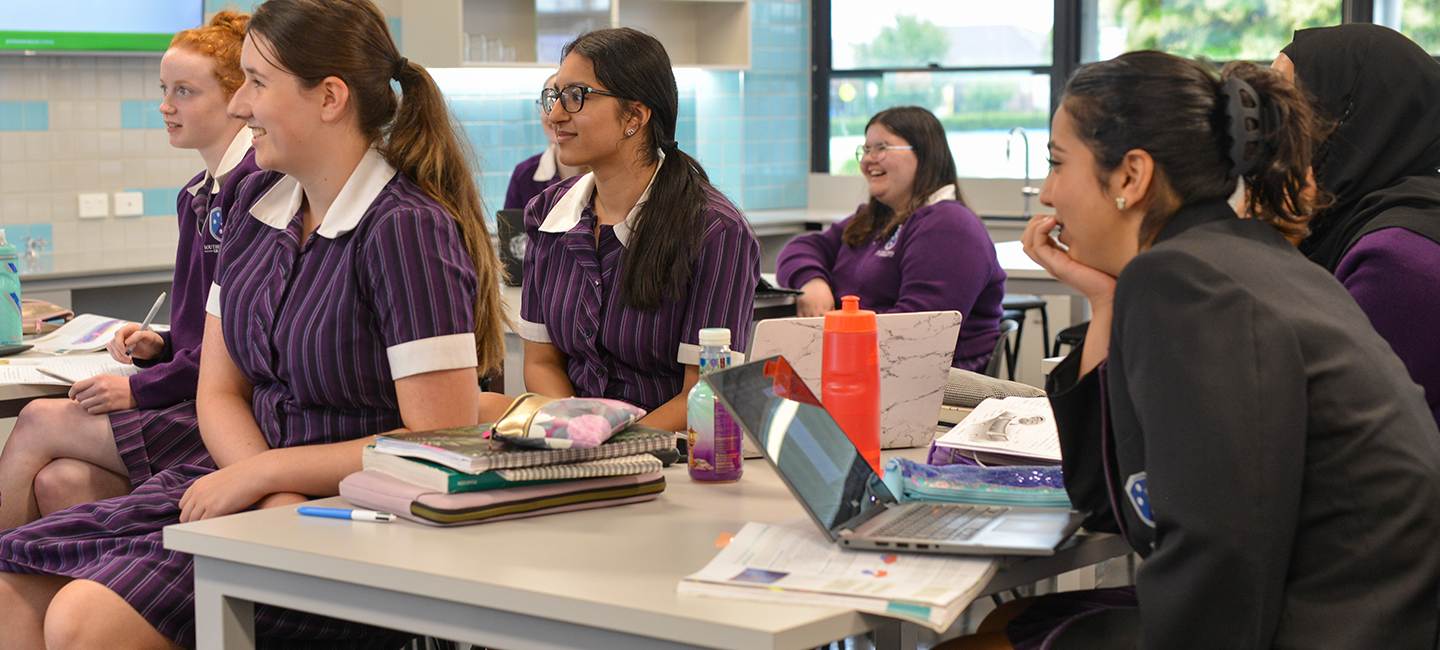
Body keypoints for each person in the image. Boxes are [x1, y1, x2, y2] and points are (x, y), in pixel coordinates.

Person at [0, 0, 510, 647]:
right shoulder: (254, 209)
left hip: (355, 515)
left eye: (257, 83)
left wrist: (270, 478)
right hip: (244, 487)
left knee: (81, 618)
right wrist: (257, 483)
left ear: (329, 98)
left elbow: (440, 437)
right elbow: (218, 390)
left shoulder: (405, 228)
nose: (240, 106)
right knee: (10, 585)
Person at [943, 51, 1440, 650]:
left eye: (1056, 163)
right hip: (1344, 615)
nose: (1047, 193)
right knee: (1003, 626)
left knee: (979, 641)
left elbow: (1219, 555)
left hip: (1319, 625)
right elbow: (1110, 499)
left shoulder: (1185, 282)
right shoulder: (1234, 255)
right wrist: (1105, 301)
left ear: (1130, 176)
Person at [0, 11, 260, 531]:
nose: (165, 106)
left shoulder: (255, 189)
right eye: (164, 89)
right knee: (60, 480)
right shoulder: (196, 195)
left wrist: (138, 391)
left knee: (35, 420)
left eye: (184, 91)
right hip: (192, 393)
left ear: (238, 99)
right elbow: (204, 330)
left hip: (227, 415)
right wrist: (160, 345)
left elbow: (240, 350)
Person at [519, 27, 761, 432]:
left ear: (635, 115)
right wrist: (577, 436)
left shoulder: (714, 231)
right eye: (554, 96)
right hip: (575, 452)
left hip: (674, 464)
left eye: (576, 96)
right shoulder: (547, 214)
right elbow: (541, 362)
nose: (556, 113)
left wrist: (612, 449)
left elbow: (704, 393)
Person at [1273, 24, 1440, 424]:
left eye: (1283, 110)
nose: (1265, 136)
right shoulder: (1362, 223)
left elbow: (1301, 417)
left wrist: (1271, 245)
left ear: (1345, 122)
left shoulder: (1399, 262)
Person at [775, 106, 1004, 371]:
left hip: (924, 382)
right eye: (866, 150)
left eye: (881, 148)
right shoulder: (877, 218)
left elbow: (914, 331)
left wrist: (835, 333)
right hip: (864, 362)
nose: (867, 161)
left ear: (924, 154)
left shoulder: (950, 226)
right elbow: (802, 247)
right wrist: (812, 281)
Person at [504, 72, 586, 211]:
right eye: (548, 102)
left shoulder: (608, 174)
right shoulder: (524, 175)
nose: (553, 115)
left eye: (571, 101)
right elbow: (512, 232)